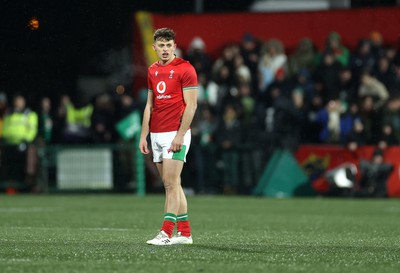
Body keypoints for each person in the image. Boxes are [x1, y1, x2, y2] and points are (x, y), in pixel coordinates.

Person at [139, 28, 198, 245]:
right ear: (154, 47)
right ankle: (184, 233)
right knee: (171, 184)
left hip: (176, 134)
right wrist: (143, 135)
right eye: (161, 45)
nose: (165, 49)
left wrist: (180, 135)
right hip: (156, 134)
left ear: (174, 46)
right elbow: (149, 105)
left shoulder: (186, 69)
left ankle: (165, 233)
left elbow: (192, 105)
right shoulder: (152, 70)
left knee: (171, 183)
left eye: (168, 45)